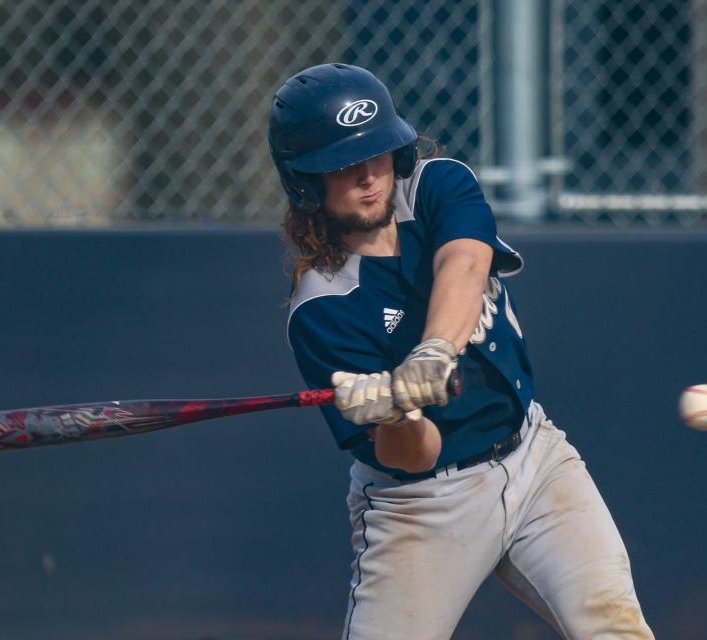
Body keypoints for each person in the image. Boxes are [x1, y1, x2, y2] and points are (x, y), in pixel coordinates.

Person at [269, 63, 654, 640]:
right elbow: (413, 457)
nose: (369, 176)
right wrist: (397, 414)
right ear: (306, 183)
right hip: (422, 507)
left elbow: (466, 263)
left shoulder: (435, 185)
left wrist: (432, 353)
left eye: (376, 153)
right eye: (342, 168)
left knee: (614, 628)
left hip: (535, 459)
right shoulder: (322, 306)